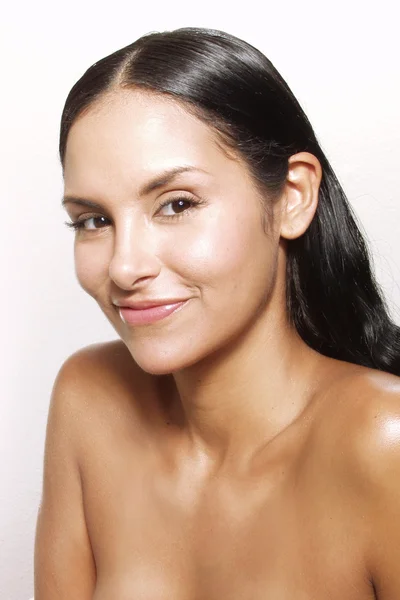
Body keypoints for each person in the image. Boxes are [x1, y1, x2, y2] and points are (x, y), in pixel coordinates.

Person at [34, 27, 400, 599]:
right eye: (93, 220)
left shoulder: (386, 444)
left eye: (176, 204)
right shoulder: (89, 402)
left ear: (292, 196)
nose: (125, 267)